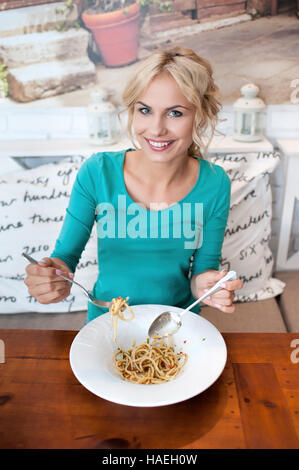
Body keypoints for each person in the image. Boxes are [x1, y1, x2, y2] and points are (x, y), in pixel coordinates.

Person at [24, 46, 243, 323]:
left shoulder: (215, 183)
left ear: (199, 116)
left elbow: (201, 275)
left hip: (177, 322)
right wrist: (50, 278)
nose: (156, 129)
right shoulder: (97, 173)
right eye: (145, 110)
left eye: (175, 113)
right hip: (108, 322)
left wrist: (211, 288)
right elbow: (64, 258)